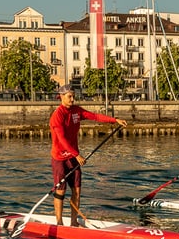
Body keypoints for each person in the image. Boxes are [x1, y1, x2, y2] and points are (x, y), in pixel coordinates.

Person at [50, 85, 128, 226]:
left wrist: (114, 120)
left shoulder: (76, 111)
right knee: (61, 191)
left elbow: (95, 116)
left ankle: (74, 222)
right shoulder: (57, 115)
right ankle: (59, 222)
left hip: (73, 158)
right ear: (61, 97)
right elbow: (62, 139)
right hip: (60, 158)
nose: (73, 99)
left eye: (73, 96)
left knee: (77, 191)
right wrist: (77, 155)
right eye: (70, 96)